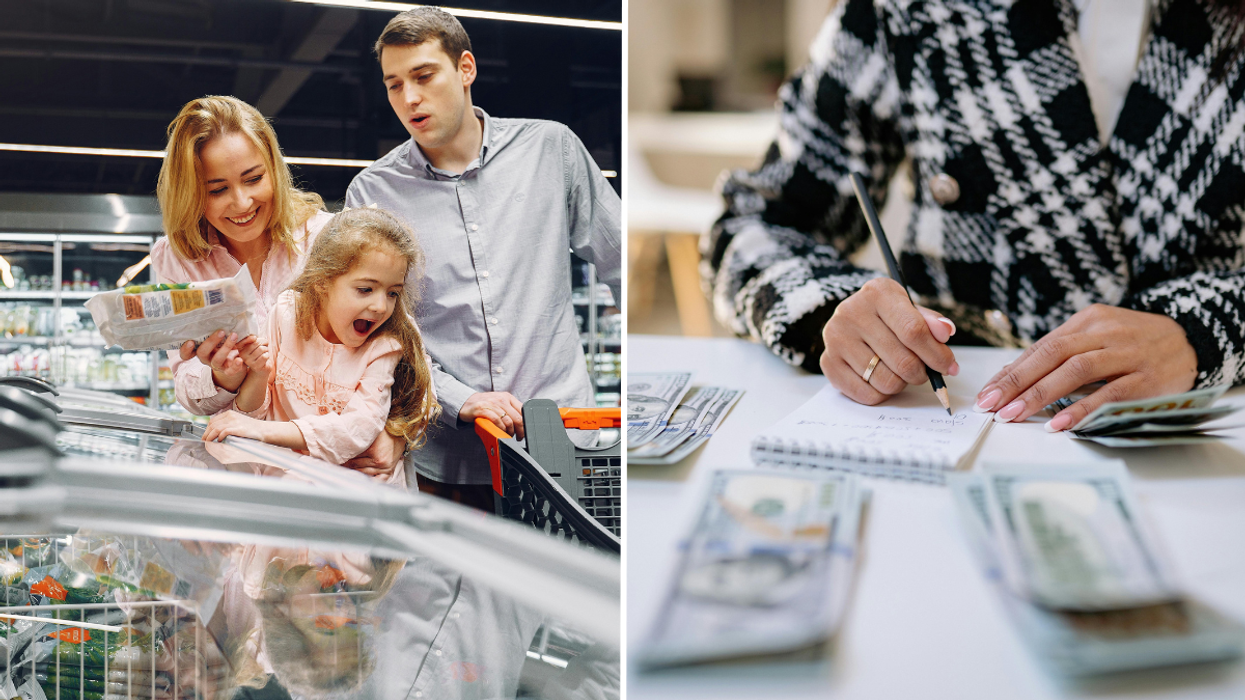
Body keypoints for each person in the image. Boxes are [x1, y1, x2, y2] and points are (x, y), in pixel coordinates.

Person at [703, 0, 1245, 432]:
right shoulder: (906, 7)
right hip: (954, 410)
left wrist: (1199, 335)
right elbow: (753, 225)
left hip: (1204, 431)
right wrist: (831, 315)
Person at [345, 8, 621, 502]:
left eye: (424, 76)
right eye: (393, 85)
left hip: (562, 447)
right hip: (445, 460)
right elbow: (369, 332)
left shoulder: (550, 150)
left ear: (465, 68)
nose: (409, 98)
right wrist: (460, 399)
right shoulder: (373, 193)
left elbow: (625, 262)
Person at [153, 96, 404, 477]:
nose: (242, 202)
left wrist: (396, 432)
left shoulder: (328, 239)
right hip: (249, 478)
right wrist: (224, 377)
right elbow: (188, 388)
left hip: (346, 475)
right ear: (190, 192)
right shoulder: (176, 260)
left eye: (254, 179)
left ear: (274, 168)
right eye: (217, 189)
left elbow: (407, 354)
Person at [201, 208, 439, 486]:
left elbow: (358, 428)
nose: (380, 306)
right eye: (365, 289)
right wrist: (257, 374)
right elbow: (252, 414)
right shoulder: (287, 314)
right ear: (323, 281)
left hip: (357, 499)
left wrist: (261, 430)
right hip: (283, 494)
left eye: (393, 293)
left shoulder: (386, 343)